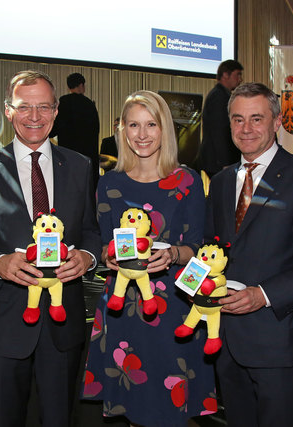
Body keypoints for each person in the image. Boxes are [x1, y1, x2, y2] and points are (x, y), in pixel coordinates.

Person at [0, 70, 102, 426]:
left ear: (55, 112)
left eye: (43, 107)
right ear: (8, 111)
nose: (34, 117)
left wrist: (87, 257)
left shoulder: (80, 166)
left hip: (62, 324)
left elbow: (91, 232)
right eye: (24, 107)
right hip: (2, 323)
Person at [207, 82, 293, 427]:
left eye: (257, 119)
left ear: (276, 122)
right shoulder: (222, 181)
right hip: (224, 339)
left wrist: (264, 295)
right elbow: (212, 250)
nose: (246, 129)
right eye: (238, 120)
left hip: (277, 338)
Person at [82, 90, 217, 426]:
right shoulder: (109, 183)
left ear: (164, 128)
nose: (142, 134)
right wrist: (107, 257)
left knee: (169, 407)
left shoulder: (187, 180)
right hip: (122, 309)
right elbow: (103, 242)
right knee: (133, 402)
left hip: (173, 307)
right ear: (122, 131)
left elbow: (197, 248)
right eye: (133, 125)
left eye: (151, 124)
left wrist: (173, 253)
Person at [49, 72, 100, 184]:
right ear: (82, 85)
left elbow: (52, 131)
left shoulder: (63, 103)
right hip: (87, 159)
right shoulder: (89, 105)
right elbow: (96, 131)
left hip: (67, 158)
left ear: (69, 87)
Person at [198, 59, 244, 177]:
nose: (240, 79)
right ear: (225, 75)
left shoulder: (221, 95)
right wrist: (224, 162)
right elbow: (219, 131)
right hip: (219, 161)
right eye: (237, 74)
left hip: (219, 160)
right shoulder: (219, 96)